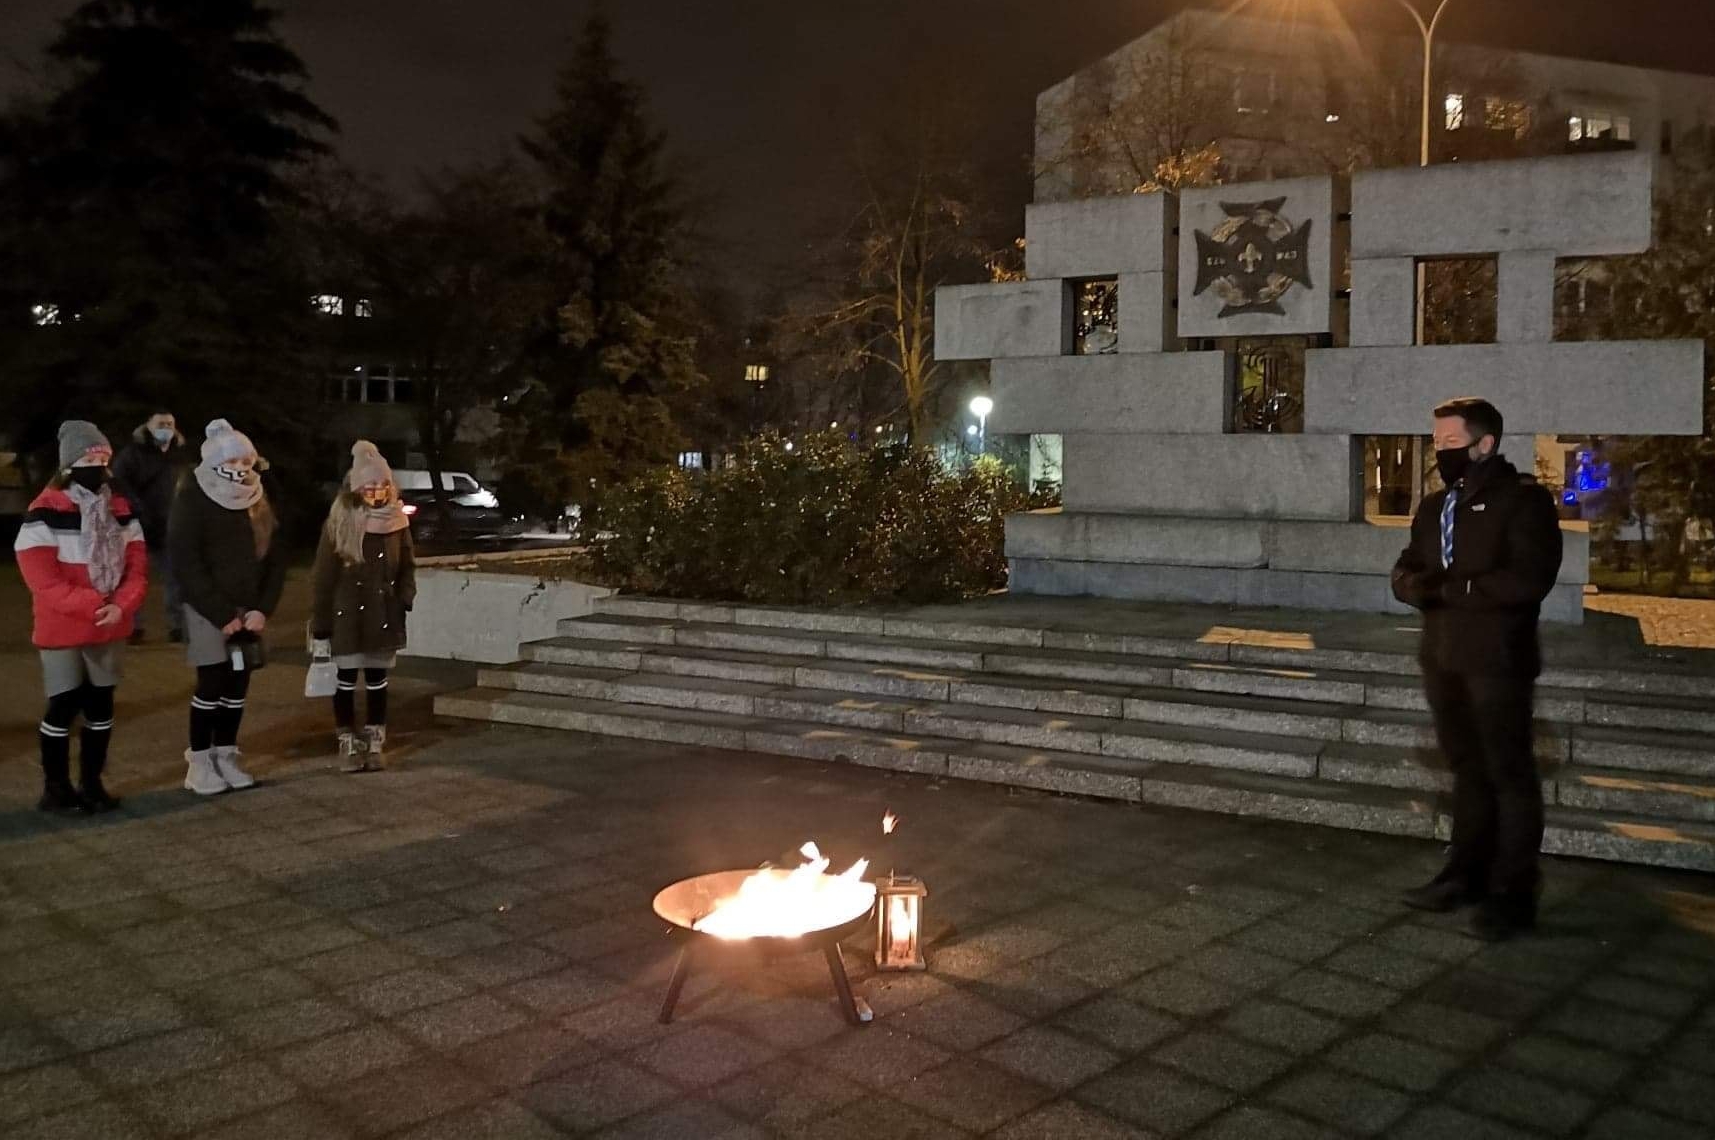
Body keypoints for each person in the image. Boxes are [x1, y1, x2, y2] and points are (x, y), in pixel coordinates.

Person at [1391, 397, 1563, 941]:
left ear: (1484, 444)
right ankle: (1463, 875)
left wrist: (1456, 590)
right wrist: (1417, 587)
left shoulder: (1524, 503)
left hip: (1497, 660)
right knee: (1466, 769)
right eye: (1437, 443)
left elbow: (1527, 580)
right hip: (1443, 657)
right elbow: (1407, 570)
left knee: (1509, 774)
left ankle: (1512, 894)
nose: (1441, 452)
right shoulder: (1436, 507)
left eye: (1450, 443)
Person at [14, 422, 148, 813]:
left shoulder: (120, 509)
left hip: (110, 623)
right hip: (65, 626)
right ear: (70, 464)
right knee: (64, 704)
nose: (100, 466)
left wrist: (121, 605)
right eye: (92, 458)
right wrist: (93, 605)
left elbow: (138, 568)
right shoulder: (45, 511)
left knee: (101, 705)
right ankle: (55, 788)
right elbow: (42, 580)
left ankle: (92, 783)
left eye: (105, 458)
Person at [169, 419, 287, 795]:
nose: (240, 470)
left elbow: (275, 559)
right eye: (232, 462)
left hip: (249, 608)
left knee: (238, 684)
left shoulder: (260, 497)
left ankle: (226, 754)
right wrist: (221, 614)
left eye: (245, 462)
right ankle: (200, 761)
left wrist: (262, 608)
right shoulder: (193, 496)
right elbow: (186, 561)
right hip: (209, 610)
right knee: (211, 683)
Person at [311, 441, 415, 771]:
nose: (378, 491)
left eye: (383, 484)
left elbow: (407, 564)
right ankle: (347, 739)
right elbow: (323, 577)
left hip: (383, 612)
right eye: (370, 485)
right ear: (357, 487)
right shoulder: (339, 522)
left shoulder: (397, 521)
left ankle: (374, 738)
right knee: (344, 678)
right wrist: (322, 624)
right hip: (347, 615)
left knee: (377, 678)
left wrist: (404, 597)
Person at [112, 410, 190, 644]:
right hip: (139, 525)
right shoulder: (131, 455)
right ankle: (133, 626)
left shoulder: (180, 454)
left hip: (171, 526)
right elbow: (120, 485)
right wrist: (137, 512)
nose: (166, 427)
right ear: (148, 426)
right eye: (161, 423)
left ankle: (177, 625)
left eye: (170, 423)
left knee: (176, 578)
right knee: (134, 577)